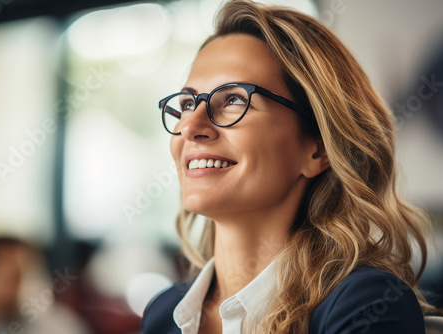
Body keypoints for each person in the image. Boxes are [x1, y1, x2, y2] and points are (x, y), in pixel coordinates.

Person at [142, 0, 437, 333]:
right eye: (187, 103)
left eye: (235, 99)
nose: (191, 126)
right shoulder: (163, 313)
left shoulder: (366, 305)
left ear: (318, 148)